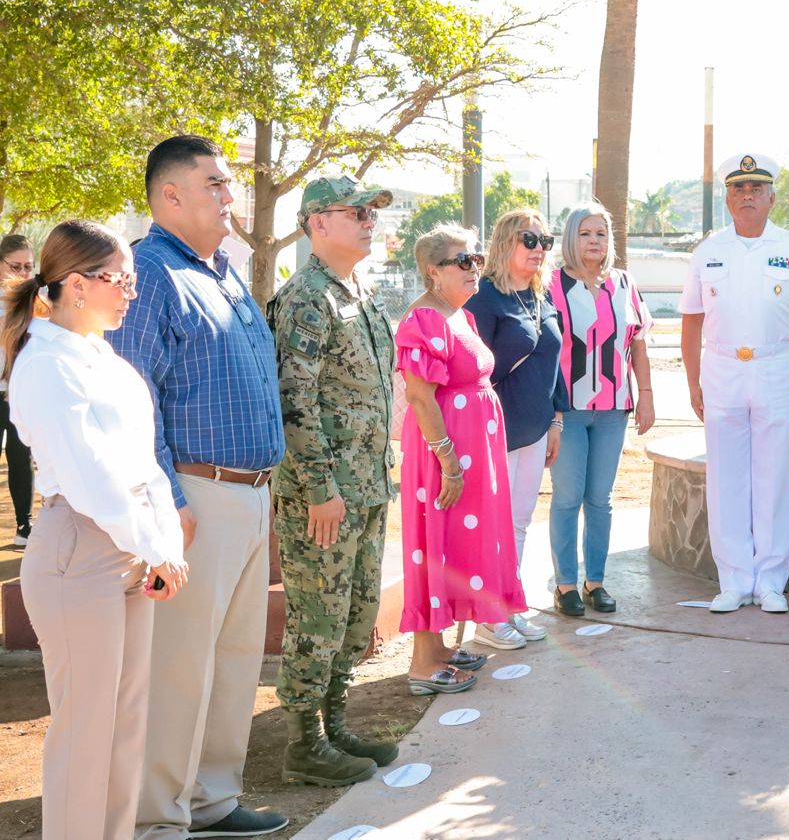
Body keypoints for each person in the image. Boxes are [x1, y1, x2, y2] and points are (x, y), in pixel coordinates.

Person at [106, 135, 289, 840]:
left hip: (247, 492)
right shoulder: (149, 272)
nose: (229, 195)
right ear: (170, 195)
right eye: (215, 183)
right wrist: (168, 503)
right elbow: (134, 397)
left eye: (229, 183)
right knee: (179, 666)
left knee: (236, 658)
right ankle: (158, 818)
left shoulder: (221, 271)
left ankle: (213, 800)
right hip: (193, 497)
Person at [6, 220, 187, 840]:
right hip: (79, 546)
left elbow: (144, 461)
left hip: (128, 547)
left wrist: (160, 544)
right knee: (86, 733)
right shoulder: (47, 364)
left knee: (123, 726)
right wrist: (155, 544)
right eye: (122, 281)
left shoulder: (99, 355)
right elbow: (91, 476)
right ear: (77, 285)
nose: (131, 294)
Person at [264, 177, 399, 789]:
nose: (371, 221)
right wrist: (319, 488)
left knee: (355, 610)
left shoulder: (358, 292)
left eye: (373, 212)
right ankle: (303, 744)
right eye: (359, 213)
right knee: (318, 614)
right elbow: (296, 400)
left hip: (367, 487)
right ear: (318, 223)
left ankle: (336, 722)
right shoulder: (306, 299)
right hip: (325, 495)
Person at [680, 153, 789, 613]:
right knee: (726, 476)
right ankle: (733, 581)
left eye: (756, 189)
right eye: (739, 189)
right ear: (727, 198)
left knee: (773, 476)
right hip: (721, 368)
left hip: (775, 367)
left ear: (772, 198)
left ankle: (770, 582)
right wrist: (692, 382)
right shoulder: (708, 251)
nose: (747, 196)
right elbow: (691, 321)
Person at [396, 224, 526, 692]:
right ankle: (423, 665)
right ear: (434, 272)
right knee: (436, 543)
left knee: (456, 545)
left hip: (471, 452)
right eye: (464, 261)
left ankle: (441, 649)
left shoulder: (458, 315)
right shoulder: (426, 319)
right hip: (445, 453)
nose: (476, 268)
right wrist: (449, 461)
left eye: (477, 260)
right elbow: (420, 396)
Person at [465, 207, 568, 644]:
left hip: (535, 428)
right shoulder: (485, 299)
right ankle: (489, 616)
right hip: (495, 431)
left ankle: (509, 604)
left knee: (519, 522)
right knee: (495, 523)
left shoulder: (540, 297)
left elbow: (554, 364)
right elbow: (474, 370)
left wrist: (557, 418)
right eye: (530, 240)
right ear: (505, 243)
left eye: (545, 242)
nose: (539, 250)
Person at [546, 203, 654, 617]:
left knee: (600, 499)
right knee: (568, 497)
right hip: (567, 409)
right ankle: (566, 585)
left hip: (614, 408)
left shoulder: (624, 283)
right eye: (586, 233)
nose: (595, 241)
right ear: (571, 238)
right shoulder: (552, 284)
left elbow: (638, 344)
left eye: (601, 234)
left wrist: (645, 394)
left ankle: (596, 582)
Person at [1, 233, 37, 548]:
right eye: (16, 267)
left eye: (28, 266)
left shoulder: (36, 301)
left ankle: (24, 525)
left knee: (20, 458)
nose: (23, 274)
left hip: (18, 394)